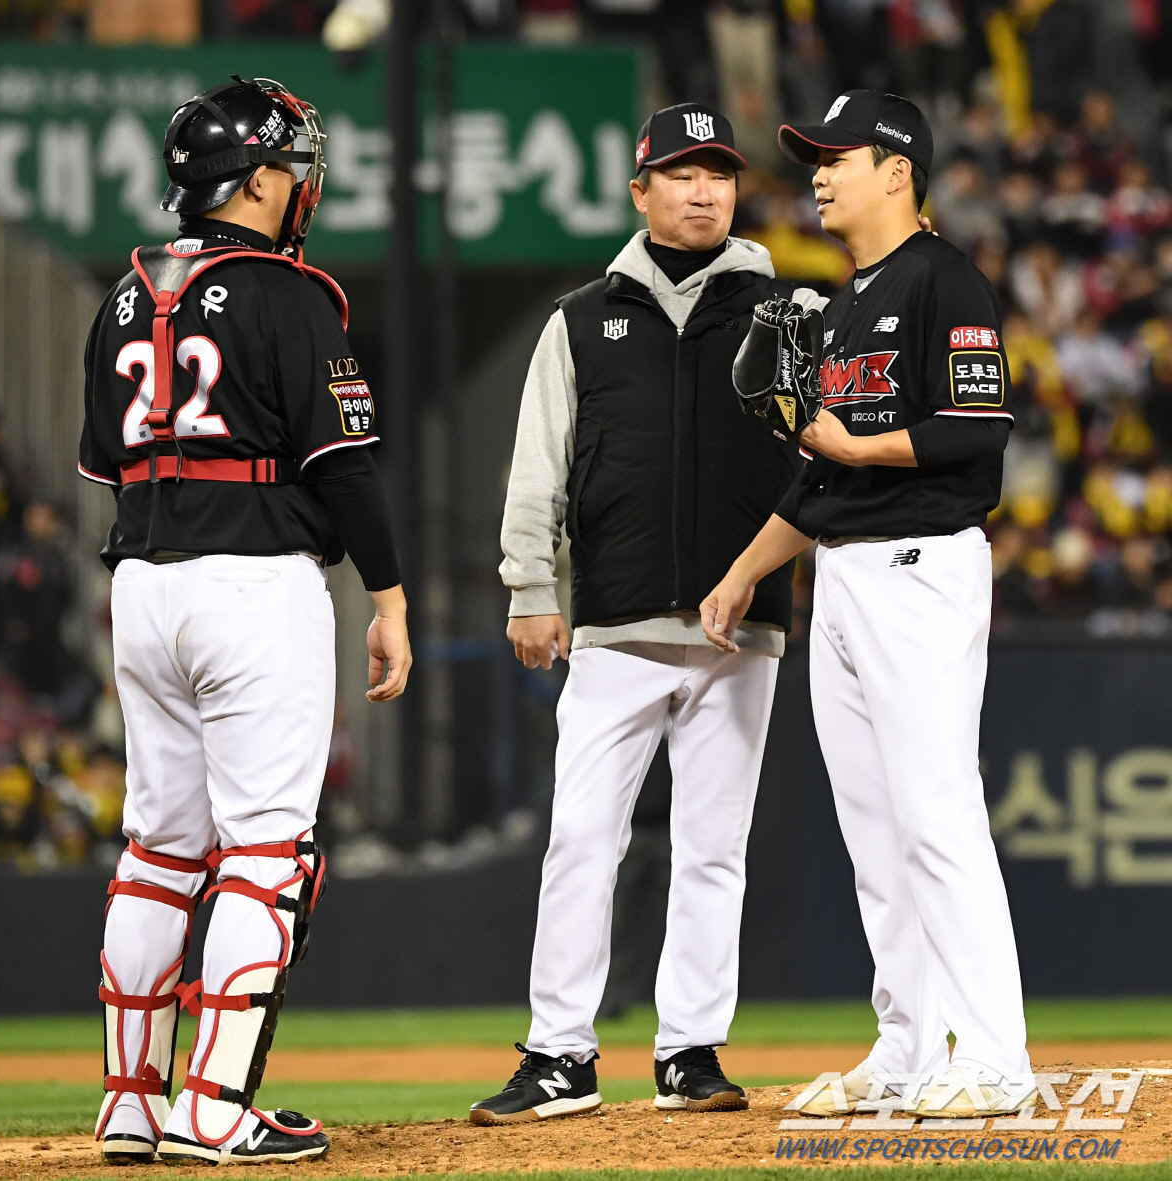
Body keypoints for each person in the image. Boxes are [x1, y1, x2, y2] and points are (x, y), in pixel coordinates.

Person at [471, 103, 826, 1125]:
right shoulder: (582, 316)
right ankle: (558, 1053)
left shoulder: (787, 308)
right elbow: (537, 463)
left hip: (739, 627)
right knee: (582, 835)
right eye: (681, 172)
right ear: (641, 191)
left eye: (719, 171)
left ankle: (690, 1049)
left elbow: (821, 459)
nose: (703, 188)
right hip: (617, 622)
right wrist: (530, 587)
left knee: (716, 844)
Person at [78, 77, 411, 1165]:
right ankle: (215, 1108)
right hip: (252, 584)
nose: (301, 182)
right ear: (261, 177)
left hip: (141, 582)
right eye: (293, 166)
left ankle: (132, 1100)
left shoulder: (126, 295)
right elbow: (345, 466)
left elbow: (108, 461)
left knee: (159, 847)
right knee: (267, 850)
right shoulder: (289, 291)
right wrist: (391, 593)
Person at [702, 90, 1036, 1119]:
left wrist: (856, 443)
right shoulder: (846, 299)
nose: (819, 170)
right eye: (814, 155)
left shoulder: (947, 279)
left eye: (838, 155)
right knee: (874, 826)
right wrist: (744, 569)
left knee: (935, 809)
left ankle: (992, 1053)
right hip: (842, 572)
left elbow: (977, 428)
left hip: (920, 563)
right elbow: (820, 483)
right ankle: (907, 1041)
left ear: (898, 169)